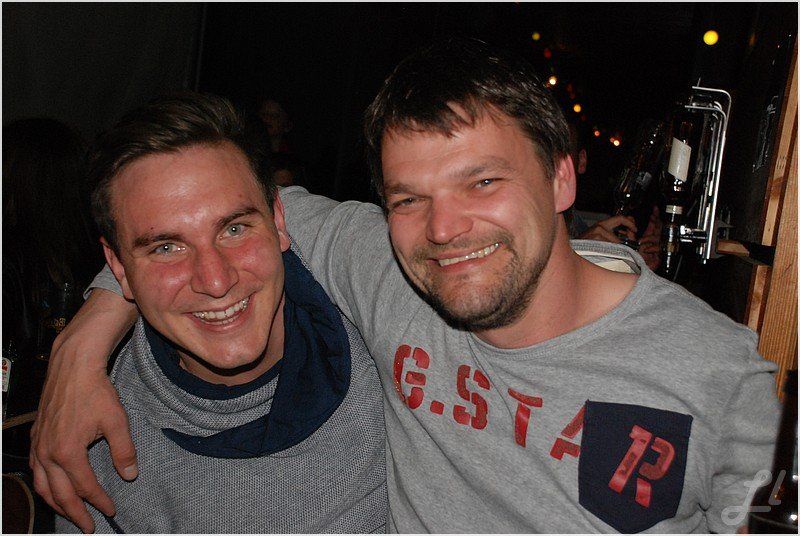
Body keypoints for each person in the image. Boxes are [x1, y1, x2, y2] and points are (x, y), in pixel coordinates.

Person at [33, 39, 779, 533]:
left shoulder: (714, 376)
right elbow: (202, 219)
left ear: (561, 177)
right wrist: (86, 341)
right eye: (408, 198)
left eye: (482, 182)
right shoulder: (387, 269)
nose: (444, 229)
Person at [47, 93, 387, 533]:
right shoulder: (88, 424)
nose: (215, 280)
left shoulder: (384, 356)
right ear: (118, 268)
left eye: (234, 228)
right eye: (167, 247)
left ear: (279, 220)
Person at [565, 122, 663, 271]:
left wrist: (635, 266)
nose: (553, 168)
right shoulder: (528, 231)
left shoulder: (584, 229)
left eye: (562, 155)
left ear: (581, 161)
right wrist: (577, 252)